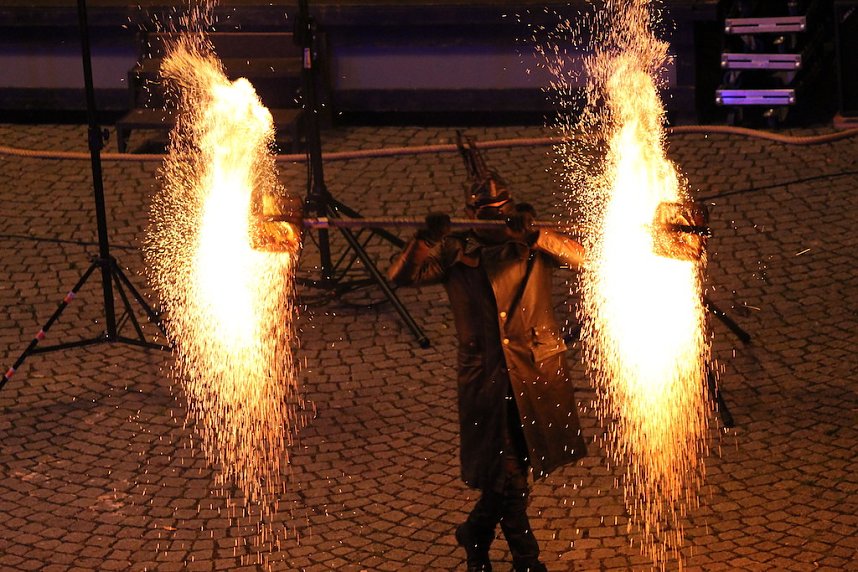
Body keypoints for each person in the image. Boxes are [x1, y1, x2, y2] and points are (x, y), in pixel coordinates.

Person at [387, 173, 588, 572]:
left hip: (535, 375)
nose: (495, 220)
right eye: (486, 215)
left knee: (514, 473)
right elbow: (401, 277)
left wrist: (535, 237)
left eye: (501, 212)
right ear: (470, 215)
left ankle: (476, 532)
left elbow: (584, 258)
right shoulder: (458, 257)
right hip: (487, 380)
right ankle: (527, 561)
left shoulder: (531, 245)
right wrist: (426, 241)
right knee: (510, 478)